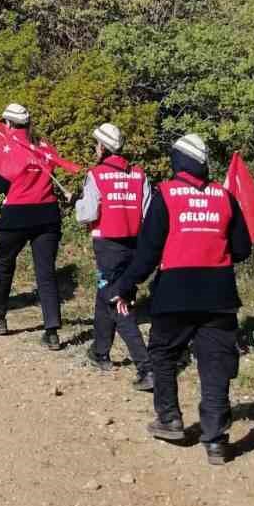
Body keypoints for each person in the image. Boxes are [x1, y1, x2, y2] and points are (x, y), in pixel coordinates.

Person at [107, 133, 252, 464]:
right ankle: (215, 439)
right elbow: (242, 249)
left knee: (163, 353)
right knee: (215, 364)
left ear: (177, 161)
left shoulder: (166, 195)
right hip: (219, 295)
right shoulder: (225, 196)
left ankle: (170, 418)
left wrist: (127, 286)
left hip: (174, 292)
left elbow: (147, 253)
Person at [0, 103, 67, 349]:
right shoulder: (45, 147)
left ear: (10, 124)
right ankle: (52, 331)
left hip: (17, 214)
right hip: (48, 213)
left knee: (5, 265)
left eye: (5, 123)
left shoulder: (10, 148)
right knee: (45, 272)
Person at [75, 122, 153, 389]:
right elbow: (147, 214)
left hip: (108, 247)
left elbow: (87, 214)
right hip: (135, 246)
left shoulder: (96, 175)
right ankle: (100, 352)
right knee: (105, 295)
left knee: (117, 303)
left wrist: (77, 202)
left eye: (96, 144)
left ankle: (146, 367)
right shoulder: (140, 174)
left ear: (104, 147)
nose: (95, 148)